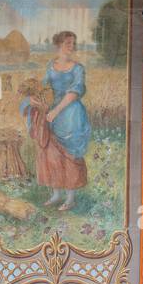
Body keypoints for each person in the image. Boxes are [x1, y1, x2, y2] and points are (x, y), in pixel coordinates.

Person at [20, 30, 91, 211]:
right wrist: (34, 99)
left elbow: (75, 91)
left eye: (73, 43)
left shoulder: (78, 68)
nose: (72, 47)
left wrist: (57, 111)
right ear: (59, 45)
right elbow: (44, 87)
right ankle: (56, 194)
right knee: (51, 155)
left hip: (70, 114)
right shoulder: (51, 66)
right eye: (68, 43)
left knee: (69, 156)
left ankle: (70, 197)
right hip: (51, 112)